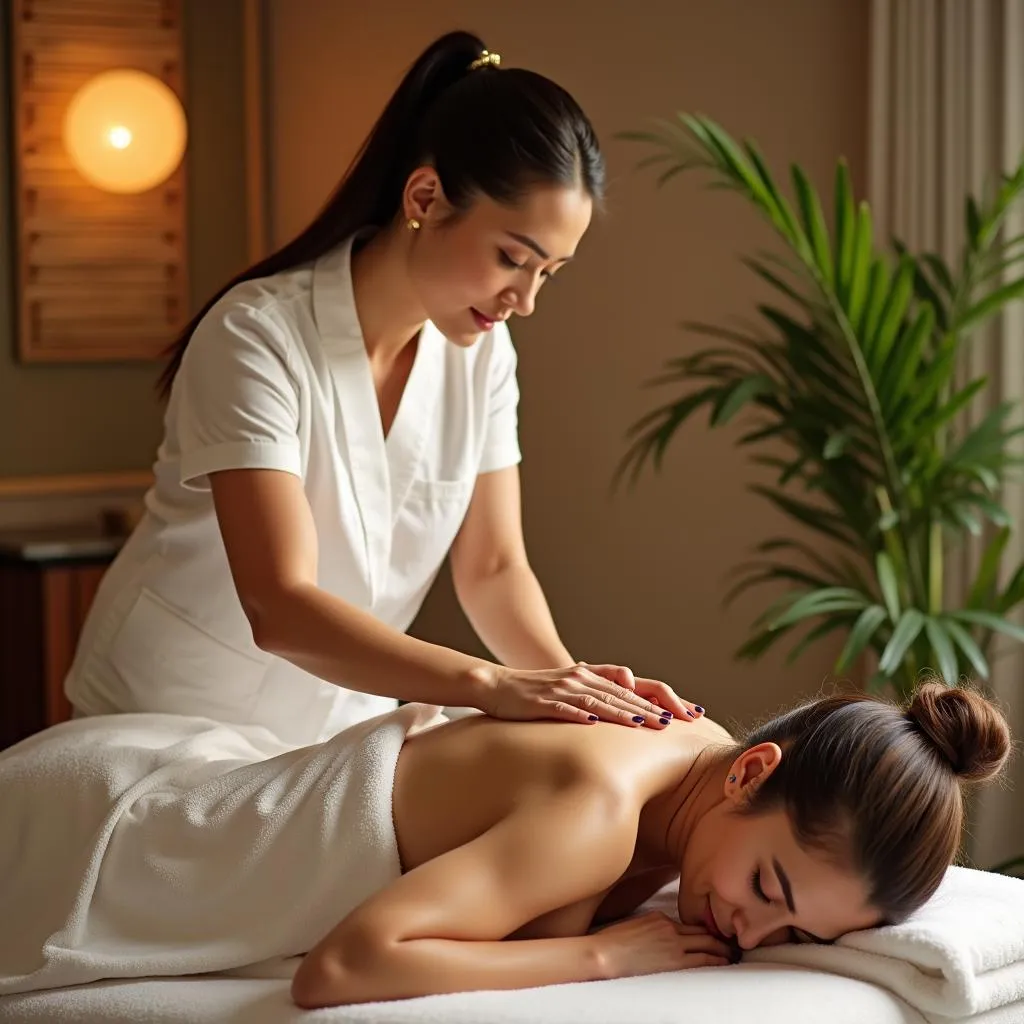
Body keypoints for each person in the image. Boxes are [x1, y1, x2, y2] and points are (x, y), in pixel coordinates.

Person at [63, 31, 702, 747]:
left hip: (331, 723)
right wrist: (497, 685)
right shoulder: (255, 337)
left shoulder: (482, 356)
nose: (523, 299)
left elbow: (493, 568)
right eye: (511, 259)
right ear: (425, 196)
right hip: (169, 719)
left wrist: (575, 699)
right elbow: (279, 602)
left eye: (547, 273)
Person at [290, 680, 1011, 1007]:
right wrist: (602, 954)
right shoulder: (600, 817)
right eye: (766, 888)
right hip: (224, 848)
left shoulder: (697, 756)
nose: (751, 935)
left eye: (797, 932)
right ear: (752, 771)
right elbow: (339, 968)